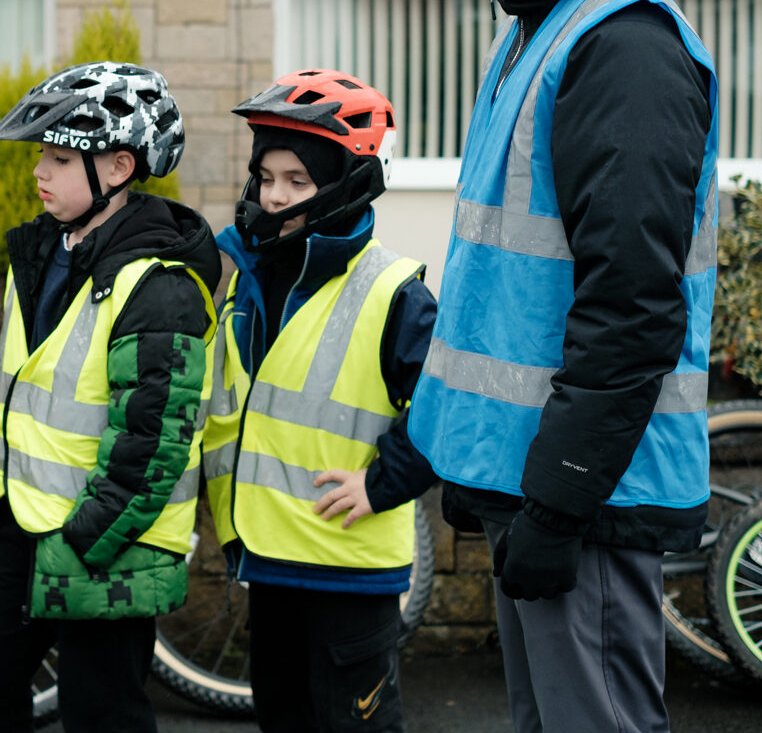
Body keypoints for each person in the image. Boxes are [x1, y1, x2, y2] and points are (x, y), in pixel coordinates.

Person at [408, 0, 719, 733]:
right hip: (540, 490)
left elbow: (632, 302)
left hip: (583, 505)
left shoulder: (620, 41)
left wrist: (557, 502)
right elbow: (509, 288)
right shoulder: (541, 23)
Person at [203, 68, 437, 733]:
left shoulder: (394, 292)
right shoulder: (250, 280)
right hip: (269, 563)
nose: (273, 197)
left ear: (347, 184)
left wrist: (384, 482)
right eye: (266, 178)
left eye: (297, 182)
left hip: (347, 572)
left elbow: (452, 406)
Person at [0, 61, 221, 733]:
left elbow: (152, 444)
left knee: (104, 714)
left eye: (60, 157)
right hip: (22, 527)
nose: (39, 171)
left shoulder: (160, 285)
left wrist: (80, 541)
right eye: (41, 154)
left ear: (119, 168)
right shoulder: (42, 254)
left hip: (104, 546)